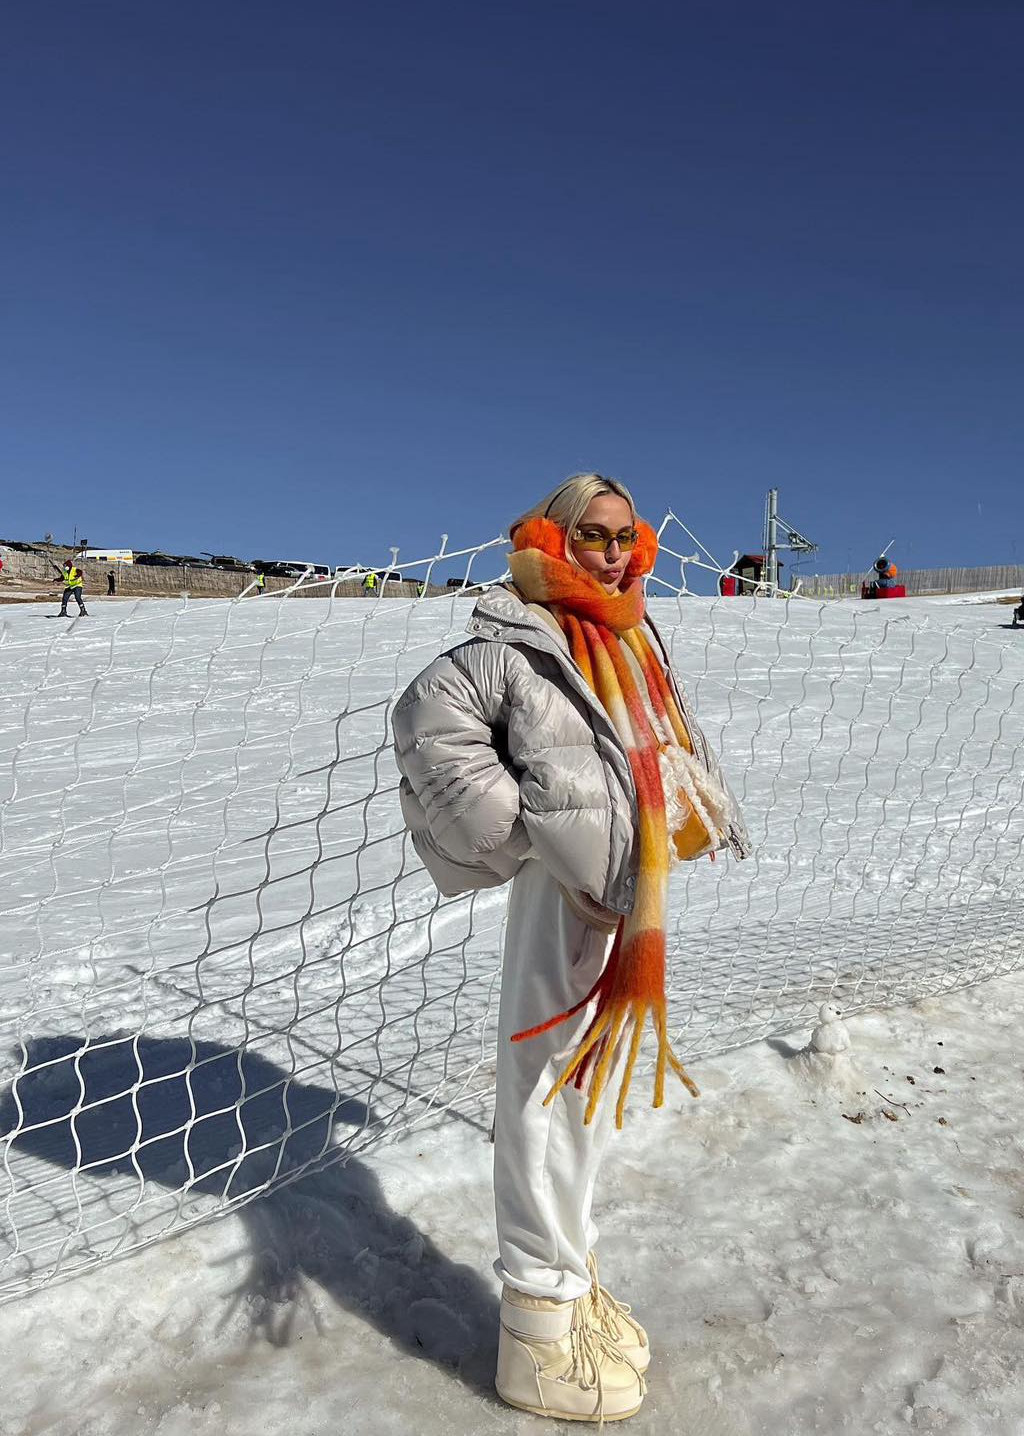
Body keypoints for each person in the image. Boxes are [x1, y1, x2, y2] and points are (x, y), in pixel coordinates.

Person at [393, 473, 747, 1423]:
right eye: (591, 536)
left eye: (625, 535)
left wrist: (690, 804)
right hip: (567, 891)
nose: (613, 551)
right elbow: (427, 720)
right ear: (549, 539)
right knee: (546, 1085)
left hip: (629, 899)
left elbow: (650, 735)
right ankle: (536, 1330)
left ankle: (570, 1277)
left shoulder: (629, 627)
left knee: (585, 1091)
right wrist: (525, 835)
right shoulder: (517, 633)